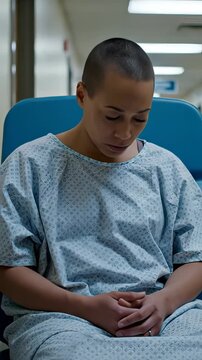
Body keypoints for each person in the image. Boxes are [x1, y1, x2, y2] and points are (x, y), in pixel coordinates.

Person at [0, 38, 202, 360]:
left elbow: (195, 257)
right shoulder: (30, 166)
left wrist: (164, 302)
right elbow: (8, 268)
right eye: (112, 117)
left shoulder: (167, 170)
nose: (125, 133)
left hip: (162, 315)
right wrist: (84, 306)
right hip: (63, 318)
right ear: (83, 95)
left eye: (140, 118)